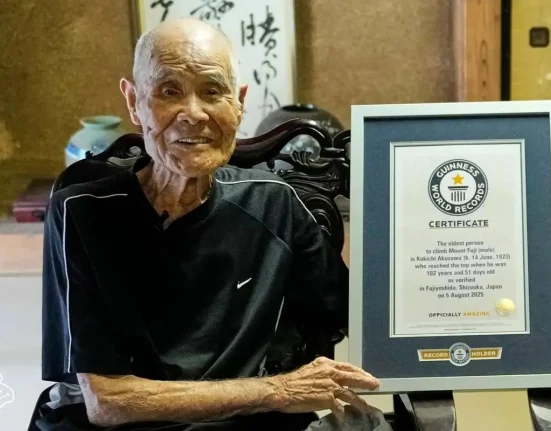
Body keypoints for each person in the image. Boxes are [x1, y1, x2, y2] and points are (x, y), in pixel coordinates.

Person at [39, 18, 381, 431]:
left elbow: (354, 314)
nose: (194, 114)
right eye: (169, 91)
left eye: (213, 91)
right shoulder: (82, 212)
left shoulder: (273, 204)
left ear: (239, 103)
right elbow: (108, 401)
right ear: (133, 102)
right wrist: (278, 391)